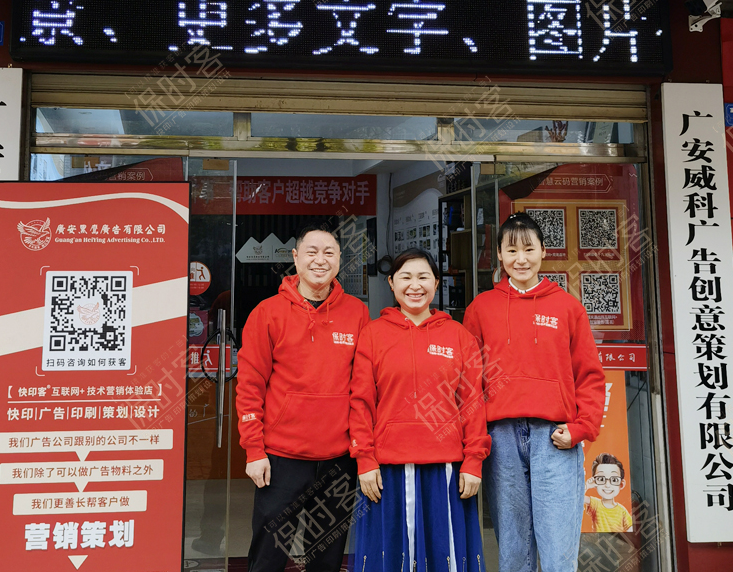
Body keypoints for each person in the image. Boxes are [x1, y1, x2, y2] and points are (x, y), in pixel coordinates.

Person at [463, 212, 606, 572]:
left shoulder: (568, 307)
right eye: (512, 250)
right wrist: (476, 442)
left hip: (555, 438)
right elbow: (469, 382)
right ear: (499, 254)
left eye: (529, 249)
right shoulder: (481, 308)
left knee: (558, 551)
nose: (521, 259)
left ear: (543, 251)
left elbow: (589, 375)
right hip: (501, 438)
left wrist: (581, 428)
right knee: (513, 551)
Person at [236, 223, 369, 572]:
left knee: (327, 560)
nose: (320, 260)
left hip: (339, 459)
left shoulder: (356, 312)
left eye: (329, 253)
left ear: (340, 259)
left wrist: (361, 450)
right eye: (312, 252)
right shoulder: (268, 312)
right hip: (281, 458)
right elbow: (250, 385)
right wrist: (254, 450)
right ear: (296, 257)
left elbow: (362, 387)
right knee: (268, 558)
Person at [348, 247, 489, 572]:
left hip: (446, 468)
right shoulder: (372, 335)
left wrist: (474, 460)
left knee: (445, 555)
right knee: (391, 557)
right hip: (387, 470)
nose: (415, 285)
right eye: (406, 277)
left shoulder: (459, 336)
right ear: (392, 283)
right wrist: (364, 458)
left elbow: (472, 403)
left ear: (436, 283)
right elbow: (361, 401)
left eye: (423, 277)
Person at [584, 453, 633, 532]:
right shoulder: (595, 504)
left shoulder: (622, 511)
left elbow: (631, 529)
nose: (607, 485)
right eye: (601, 479)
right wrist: (587, 486)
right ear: (595, 482)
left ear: (621, 484)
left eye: (614, 480)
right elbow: (577, 499)